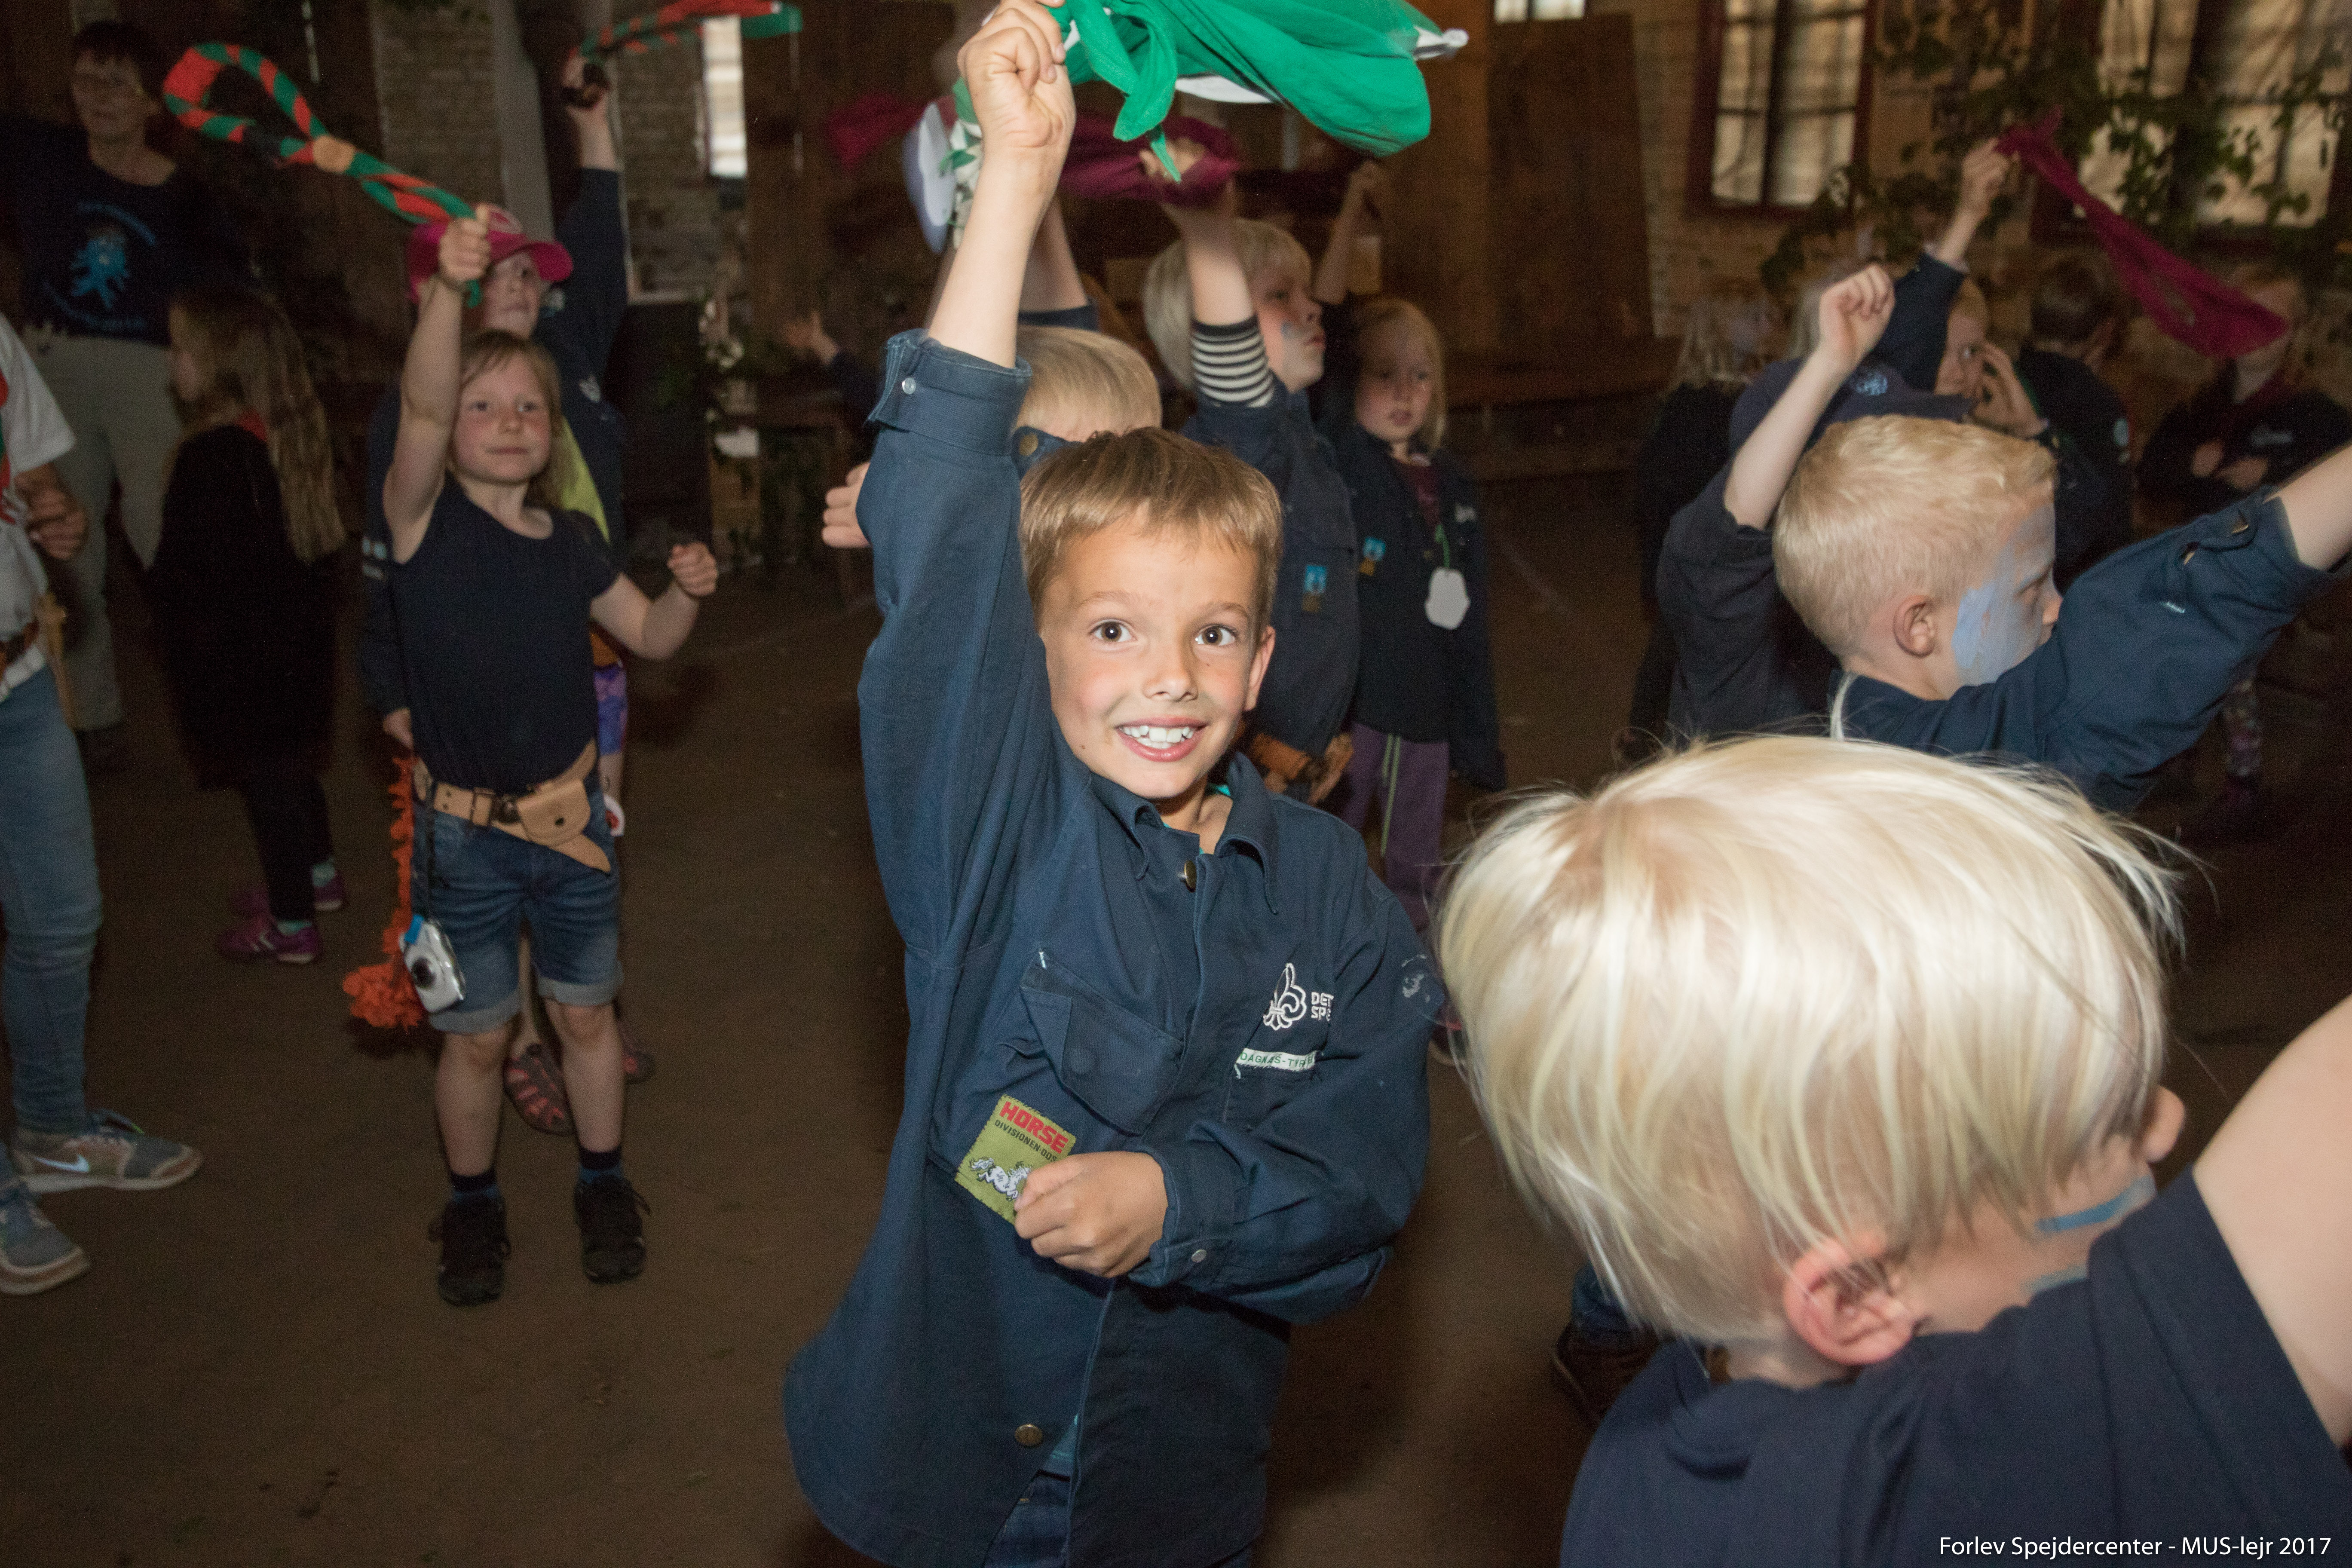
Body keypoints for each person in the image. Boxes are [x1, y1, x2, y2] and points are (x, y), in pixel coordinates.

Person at [782, 10, 1436, 1562]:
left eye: (1211, 632)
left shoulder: (1330, 896)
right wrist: (1013, 177)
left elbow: (1362, 1179)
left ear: (1262, 658)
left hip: (1178, 1475)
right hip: (971, 1473)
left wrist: (1183, 1202)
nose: (1170, 676)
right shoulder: (987, 831)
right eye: (1114, 629)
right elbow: (947, 518)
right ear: (1034, 643)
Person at [1439, 736, 2352, 1562]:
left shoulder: (1648, 1463)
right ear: (1860, 1292)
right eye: (2109, 1124)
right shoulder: (1949, 1492)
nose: (2168, 1122)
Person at [382, 206, 717, 1306]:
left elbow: (651, 637)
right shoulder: (421, 524)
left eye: (530, 405)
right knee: (479, 1041)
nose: (509, 421)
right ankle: (472, 1205)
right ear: (448, 428)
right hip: (465, 839)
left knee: (584, 1016)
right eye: (482, 406)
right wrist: (449, 288)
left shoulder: (570, 542)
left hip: (573, 830)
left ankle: (602, 1182)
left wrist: (686, 594)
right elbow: (423, 402)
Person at [359, 53, 653, 1134]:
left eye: (535, 273)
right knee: (489, 857)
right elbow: (383, 565)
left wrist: (597, 128)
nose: (530, 285)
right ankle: (513, 1032)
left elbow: (604, 254)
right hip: (470, 679)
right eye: (507, 274)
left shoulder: (567, 357)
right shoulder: (423, 425)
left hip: (587, 654)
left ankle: (577, 1012)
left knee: (581, 845)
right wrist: (391, 689)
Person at [0, 314, 201, 1295]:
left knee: (63, 919)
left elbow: (33, 467)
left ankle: (51, 1128)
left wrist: (52, 507)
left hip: (17, 674)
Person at [0, 19, 250, 763]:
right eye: (86, 80)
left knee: (163, 529)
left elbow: (230, 299)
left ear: (152, 102)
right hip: (54, 365)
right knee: (62, 540)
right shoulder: (39, 156)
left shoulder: (187, 198)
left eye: (117, 83)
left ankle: (218, 704)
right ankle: (87, 716)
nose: (99, 97)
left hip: (150, 373)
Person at [1145, 174, 1361, 801]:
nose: (1310, 308)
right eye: (1279, 296)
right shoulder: (1240, 450)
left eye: (1304, 292)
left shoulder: (1301, 438)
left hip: (1298, 772)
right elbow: (1240, 396)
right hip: (1242, 780)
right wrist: (1210, 238)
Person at [150, 287, 346, 965]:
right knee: (294, 771)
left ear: (221, 366)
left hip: (243, 661)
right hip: (296, 653)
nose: (170, 362)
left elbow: (182, 574)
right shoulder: (287, 438)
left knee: (270, 788)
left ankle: (292, 924)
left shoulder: (210, 458)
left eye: (180, 349)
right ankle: (318, 875)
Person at [2138, 263, 2351, 845]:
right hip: (2196, 563)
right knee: (2172, 642)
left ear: (2297, 331)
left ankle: (2244, 783)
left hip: (2269, 575)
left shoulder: (2314, 414)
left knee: (2225, 649)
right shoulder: (2199, 406)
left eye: (2273, 319)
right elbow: (2153, 469)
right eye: (2244, 316)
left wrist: (2276, 473)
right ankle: (2178, 757)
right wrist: (2191, 464)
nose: (2257, 331)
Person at [1317, 293, 1502, 934]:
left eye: (1420, 376)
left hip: (1429, 696)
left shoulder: (1452, 482)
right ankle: (1325, 937)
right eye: (1384, 374)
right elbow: (1331, 338)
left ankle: (1413, 949)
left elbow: (1472, 612)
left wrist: (1476, 724)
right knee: (1334, 829)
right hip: (1360, 700)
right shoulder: (1341, 464)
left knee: (1419, 842)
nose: (1404, 392)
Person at [1623, 278, 1778, 750]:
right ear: (1721, 328)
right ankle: (1646, 736)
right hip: (1698, 552)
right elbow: (1665, 492)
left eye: (1767, 315)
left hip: (1723, 552)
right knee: (1675, 646)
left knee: (1680, 646)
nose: (1766, 325)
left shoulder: (1756, 394)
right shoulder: (1698, 404)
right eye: (1752, 317)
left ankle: (1653, 734)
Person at [2014, 250, 2135, 583]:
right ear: (2104, 331)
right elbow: (2112, 512)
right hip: (2080, 577)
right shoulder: (2098, 403)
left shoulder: (2006, 382)